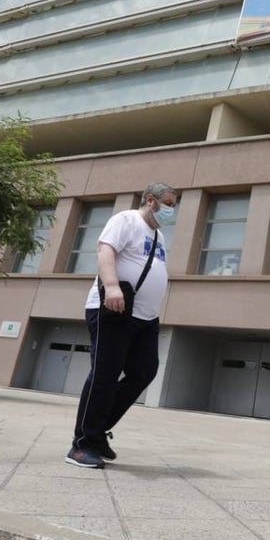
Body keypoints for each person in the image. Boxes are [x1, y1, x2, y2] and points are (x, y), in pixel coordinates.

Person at [66, 183, 177, 469]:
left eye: (174, 205)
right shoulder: (126, 220)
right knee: (105, 373)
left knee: (144, 371)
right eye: (167, 203)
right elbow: (105, 251)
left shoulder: (159, 235)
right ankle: (82, 445)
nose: (171, 209)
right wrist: (112, 286)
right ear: (150, 200)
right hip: (115, 309)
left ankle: (98, 429)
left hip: (146, 317)